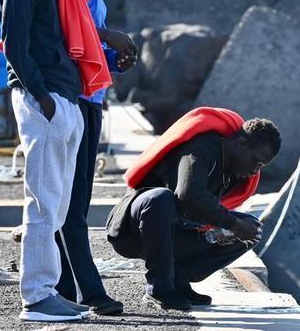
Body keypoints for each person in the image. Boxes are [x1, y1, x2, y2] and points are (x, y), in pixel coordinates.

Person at [0, 0, 111, 322]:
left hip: (64, 96)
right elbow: (17, 47)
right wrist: (43, 99)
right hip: (44, 98)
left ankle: (49, 291)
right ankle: (38, 298)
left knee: (58, 205)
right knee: (43, 204)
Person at [106, 108, 280, 311]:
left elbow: (204, 211)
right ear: (241, 144)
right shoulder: (200, 147)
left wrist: (239, 227)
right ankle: (159, 287)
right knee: (161, 198)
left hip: (176, 232)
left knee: (252, 229)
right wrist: (233, 223)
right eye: (256, 163)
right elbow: (188, 196)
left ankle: (178, 279)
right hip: (133, 230)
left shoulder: (233, 172)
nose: (254, 172)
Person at [53, 0, 137, 316]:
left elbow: (85, 40)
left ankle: (66, 285)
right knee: (73, 199)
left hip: (90, 97)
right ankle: (89, 290)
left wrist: (111, 53)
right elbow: (63, 25)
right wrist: (110, 36)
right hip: (77, 100)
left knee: (73, 198)